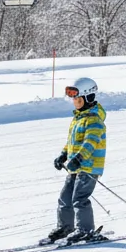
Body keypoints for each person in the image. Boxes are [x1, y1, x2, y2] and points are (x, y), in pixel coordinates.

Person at [44, 77, 107, 243]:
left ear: (89, 98)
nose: (75, 103)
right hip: (75, 166)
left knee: (80, 199)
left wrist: (79, 158)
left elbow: (90, 143)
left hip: (89, 167)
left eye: (78, 99)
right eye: (73, 99)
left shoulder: (94, 120)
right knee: (65, 198)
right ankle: (66, 227)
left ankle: (85, 230)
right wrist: (64, 155)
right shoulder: (78, 118)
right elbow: (72, 142)